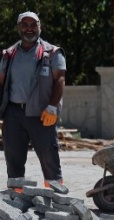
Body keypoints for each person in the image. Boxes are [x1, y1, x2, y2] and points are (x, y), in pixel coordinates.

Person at [0, 11, 67, 193]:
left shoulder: (52, 52)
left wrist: (52, 107)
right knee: (13, 158)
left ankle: (56, 198)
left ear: (40, 27)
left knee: (49, 157)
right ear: (19, 28)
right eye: (25, 25)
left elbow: (60, 80)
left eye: (33, 25)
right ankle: (16, 200)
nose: (29, 29)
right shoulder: (9, 54)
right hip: (13, 113)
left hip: (42, 113)